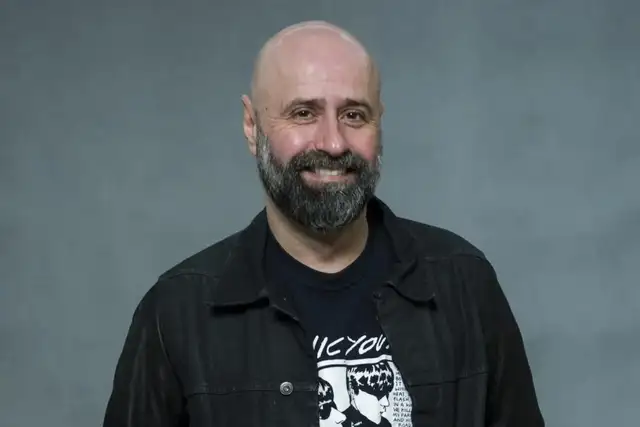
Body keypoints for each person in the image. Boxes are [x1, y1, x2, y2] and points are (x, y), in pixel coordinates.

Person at [102, 20, 545, 427]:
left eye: (354, 115)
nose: (333, 142)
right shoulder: (177, 311)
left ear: (379, 123)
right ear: (251, 125)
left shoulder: (463, 283)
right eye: (303, 113)